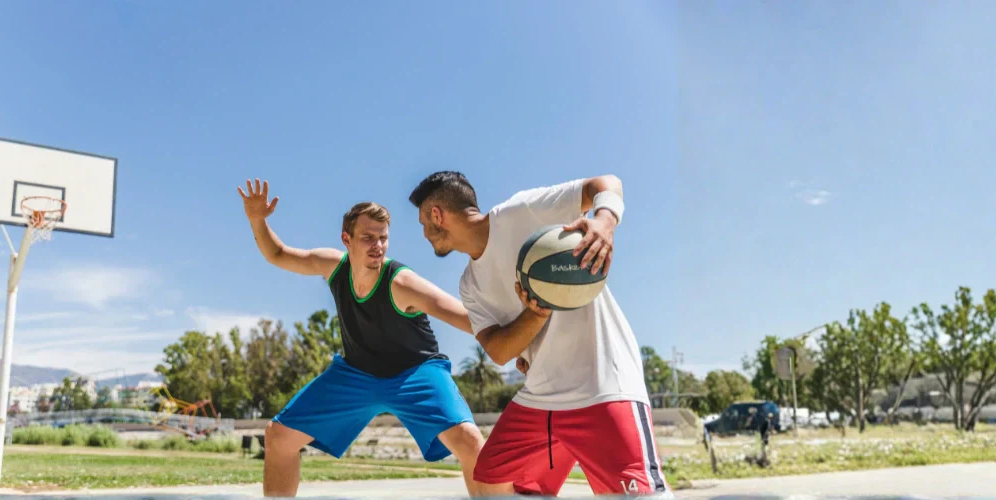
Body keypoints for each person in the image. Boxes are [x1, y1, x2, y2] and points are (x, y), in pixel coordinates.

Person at [408, 172, 671, 497]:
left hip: (603, 387)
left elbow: (606, 183)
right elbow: (499, 350)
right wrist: (535, 314)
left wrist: (605, 222)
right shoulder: (469, 285)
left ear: (437, 215)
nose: (424, 233)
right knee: (489, 480)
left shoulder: (521, 212)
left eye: (423, 222)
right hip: (540, 399)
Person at [237, 179, 487, 497]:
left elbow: (469, 319)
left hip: (416, 372)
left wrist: (522, 342)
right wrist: (258, 219)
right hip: (356, 373)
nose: (377, 246)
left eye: (383, 238)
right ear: (347, 239)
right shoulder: (333, 267)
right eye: (368, 237)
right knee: (278, 436)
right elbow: (278, 254)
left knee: (470, 442)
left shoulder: (402, 282)